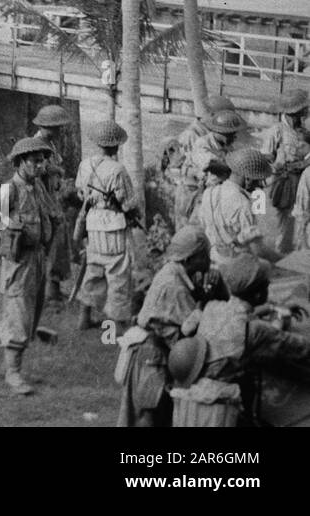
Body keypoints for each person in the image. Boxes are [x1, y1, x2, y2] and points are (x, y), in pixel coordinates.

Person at [115, 226, 218, 427]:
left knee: (144, 415)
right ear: (189, 259)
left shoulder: (173, 271)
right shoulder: (174, 286)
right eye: (204, 256)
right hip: (152, 356)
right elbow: (193, 329)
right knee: (148, 414)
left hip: (147, 351)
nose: (207, 261)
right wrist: (206, 302)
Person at [194, 253, 310, 422]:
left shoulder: (213, 306)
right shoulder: (257, 330)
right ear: (257, 295)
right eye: (266, 285)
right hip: (219, 400)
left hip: (194, 383)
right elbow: (301, 347)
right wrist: (277, 321)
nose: (269, 286)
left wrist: (273, 307)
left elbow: (241, 313)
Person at [0, 136, 58, 396]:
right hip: (16, 261)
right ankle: (13, 372)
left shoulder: (38, 188)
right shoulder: (10, 190)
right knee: (17, 312)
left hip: (37, 259)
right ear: (20, 162)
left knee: (31, 311)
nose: (40, 166)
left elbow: (50, 217)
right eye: (34, 162)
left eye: (42, 162)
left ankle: (15, 366)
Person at [74, 120, 137, 330]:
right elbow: (129, 203)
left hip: (92, 223)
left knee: (94, 268)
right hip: (112, 225)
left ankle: (84, 317)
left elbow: (79, 192)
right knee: (118, 272)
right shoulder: (118, 169)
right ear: (117, 145)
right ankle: (117, 326)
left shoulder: (85, 165)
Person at [191, 147, 280, 268]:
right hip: (236, 264)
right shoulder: (243, 203)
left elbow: (200, 225)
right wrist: (281, 259)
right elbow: (256, 249)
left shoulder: (209, 193)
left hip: (213, 258)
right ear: (248, 179)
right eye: (258, 181)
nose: (259, 186)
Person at [31, 104, 79, 301]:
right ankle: (48, 286)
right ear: (44, 126)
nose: (59, 131)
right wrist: (54, 170)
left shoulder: (50, 143)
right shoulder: (36, 144)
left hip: (53, 195)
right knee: (52, 240)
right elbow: (35, 170)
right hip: (42, 198)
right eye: (55, 127)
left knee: (58, 240)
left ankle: (53, 285)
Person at [256, 88, 310, 255]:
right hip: (286, 179)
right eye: (300, 112)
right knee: (285, 217)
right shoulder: (277, 130)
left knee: (303, 214)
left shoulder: (305, 132)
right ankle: (282, 249)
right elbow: (266, 156)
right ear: (291, 113)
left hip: (303, 178)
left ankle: (300, 248)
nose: (303, 116)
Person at [169, 98, 238, 227]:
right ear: (215, 115)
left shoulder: (218, 136)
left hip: (205, 188)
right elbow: (200, 164)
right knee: (185, 229)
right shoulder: (192, 135)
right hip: (190, 188)